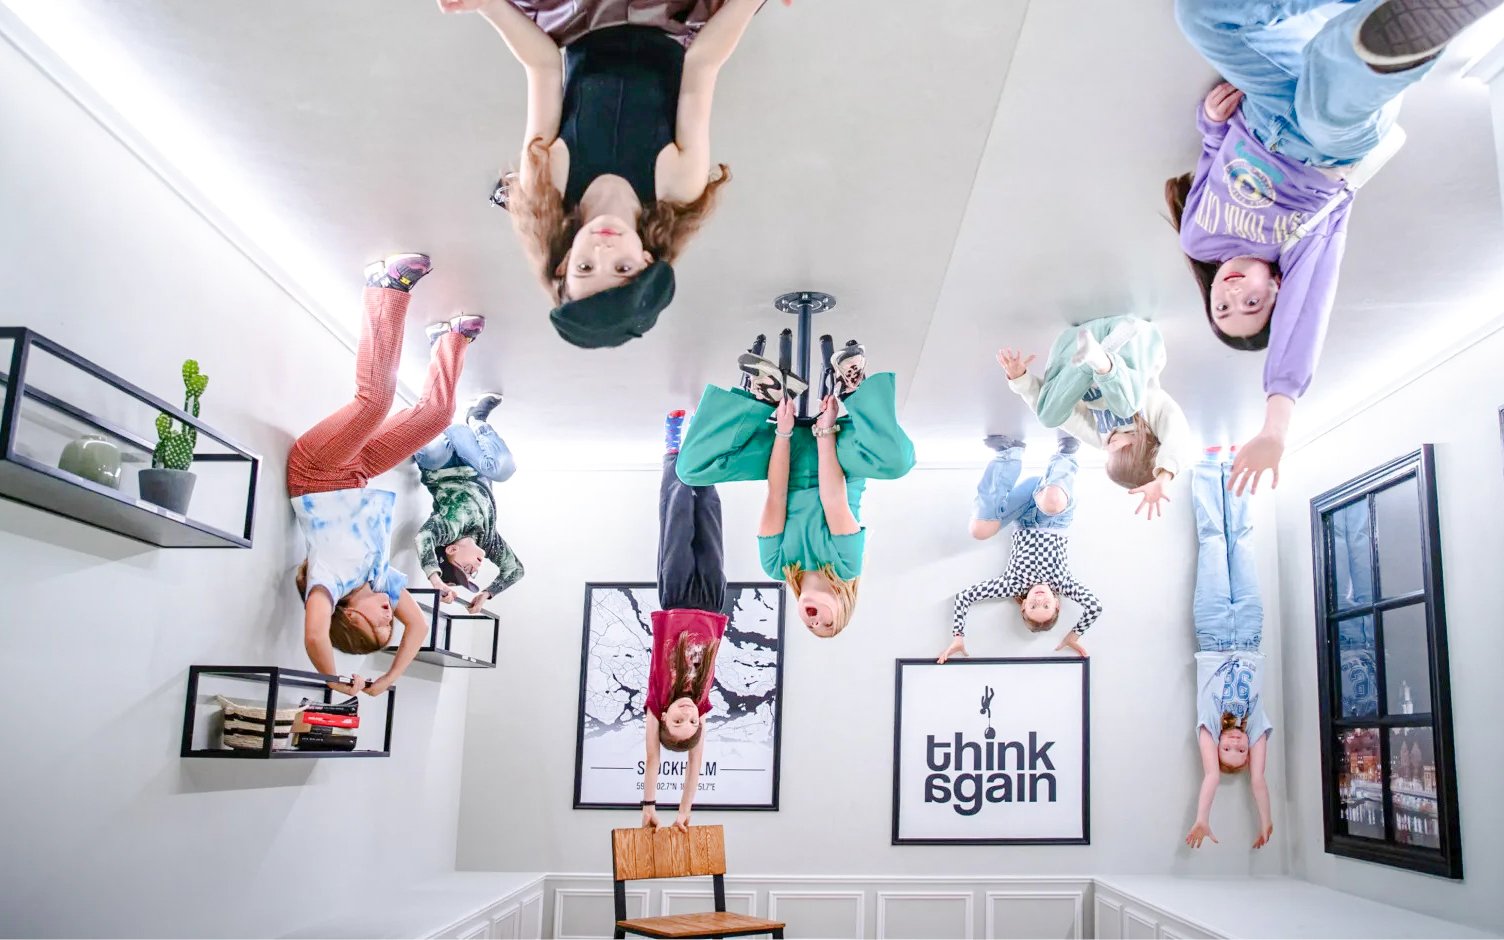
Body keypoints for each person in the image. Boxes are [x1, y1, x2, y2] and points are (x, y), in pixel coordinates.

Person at [1165, 0, 1504, 495]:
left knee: (1201, 18)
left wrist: (1211, 125)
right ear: (1276, 288)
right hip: (1325, 147)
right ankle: (1391, 34)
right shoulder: (1301, 250)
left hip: (1261, 110)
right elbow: (1305, 321)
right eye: (1251, 305)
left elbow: (1214, 157)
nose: (1235, 293)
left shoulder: (1196, 236)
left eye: (1222, 305)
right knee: (1331, 81)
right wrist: (1275, 426)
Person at [437, 0, 787, 347]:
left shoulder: (546, 186)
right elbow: (701, 66)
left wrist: (489, 6)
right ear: (647, 262)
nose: (604, 249)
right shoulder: (677, 188)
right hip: (666, 16)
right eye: (623, 268)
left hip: (584, 17)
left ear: (563, 265)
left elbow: (543, 67)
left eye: (585, 267)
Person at [289, 254, 484, 694]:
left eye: (379, 625)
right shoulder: (381, 579)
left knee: (374, 400)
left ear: (351, 616)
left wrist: (335, 682)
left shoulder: (326, 583)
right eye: (388, 625)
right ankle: (449, 339)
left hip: (317, 471)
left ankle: (386, 287)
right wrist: (391, 676)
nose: (389, 618)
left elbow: (314, 636)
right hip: (358, 473)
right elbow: (417, 628)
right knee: (437, 416)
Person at [675, 345, 915, 637]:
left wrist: (784, 431)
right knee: (897, 462)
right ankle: (854, 387)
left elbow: (776, 495)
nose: (816, 622)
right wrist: (825, 430)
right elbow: (833, 498)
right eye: (828, 623)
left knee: (690, 470)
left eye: (811, 627)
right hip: (838, 460)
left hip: (786, 460)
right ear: (843, 605)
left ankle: (764, 395)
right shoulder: (847, 566)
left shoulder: (776, 566)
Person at [1000, 317, 1193, 520]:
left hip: (1076, 346)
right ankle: (1103, 360)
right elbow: (1178, 438)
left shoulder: (1102, 439)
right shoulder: (1153, 415)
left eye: (1107, 455)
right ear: (1140, 446)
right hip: (1131, 340)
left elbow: (1068, 420)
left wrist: (1020, 379)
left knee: (1049, 418)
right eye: (1119, 452)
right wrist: (1164, 476)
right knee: (1127, 406)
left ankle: (1094, 357)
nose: (1108, 448)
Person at [938, 436, 1099, 662]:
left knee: (979, 530)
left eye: (1034, 605)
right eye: (1046, 605)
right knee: (1052, 502)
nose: (1039, 599)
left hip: (1023, 514)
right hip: (1054, 513)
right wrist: (1074, 635)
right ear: (1057, 604)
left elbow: (965, 597)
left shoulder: (1012, 585)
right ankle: (1067, 451)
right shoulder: (1063, 583)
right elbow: (1094, 607)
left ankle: (1009, 453)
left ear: (1023, 605)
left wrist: (958, 636)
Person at [1185, 448, 1274, 850]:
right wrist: (1266, 821)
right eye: (1242, 749)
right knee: (1242, 543)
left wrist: (1202, 818)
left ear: (1218, 747)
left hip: (1214, 631)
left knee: (1213, 541)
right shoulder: (1255, 724)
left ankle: (1208, 466)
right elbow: (1258, 779)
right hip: (1251, 632)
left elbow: (1212, 777)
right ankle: (1235, 467)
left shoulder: (1209, 721)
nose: (1237, 744)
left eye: (1230, 749)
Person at [642, 410, 727, 831]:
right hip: (712, 603)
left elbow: (660, 760)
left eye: (677, 721)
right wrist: (687, 814)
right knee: (709, 511)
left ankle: (675, 442)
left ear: (663, 721)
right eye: (690, 722)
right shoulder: (703, 704)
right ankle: (703, 441)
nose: (686, 715)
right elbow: (696, 762)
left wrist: (653, 806)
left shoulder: (657, 702)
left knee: (677, 515)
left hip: (675, 597)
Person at [413, 394, 525, 612]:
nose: (476, 569)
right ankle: (477, 419)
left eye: (466, 568)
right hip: (472, 461)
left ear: (452, 548)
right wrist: (488, 592)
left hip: (441, 465)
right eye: (473, 574)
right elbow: (515, 569)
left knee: (430, 454)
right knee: (502, 470)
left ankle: (432, 417)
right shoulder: (489, 540)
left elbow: (424, 537)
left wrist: (436, 581)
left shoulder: (447, 528)